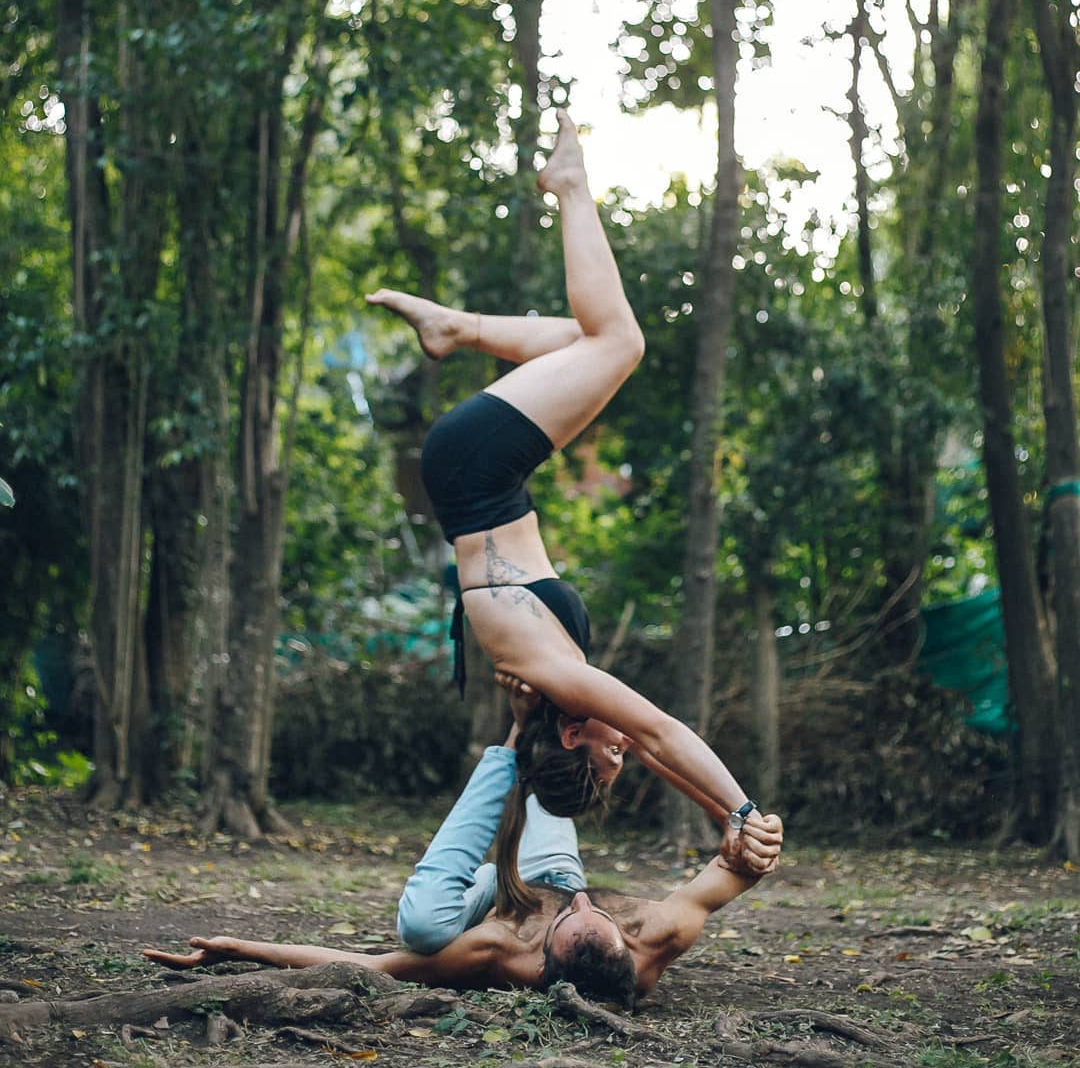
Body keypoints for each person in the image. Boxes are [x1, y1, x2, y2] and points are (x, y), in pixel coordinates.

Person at [364, 110, 780, 904]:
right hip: (478, 480)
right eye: (618, 758)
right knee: (591, 339)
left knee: (620, 341)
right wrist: (721, 813)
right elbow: (648, 745)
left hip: (474, 470)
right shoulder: (550, 686)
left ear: (571, 732)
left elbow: (657, 731)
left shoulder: (553, 675)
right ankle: (456, 327)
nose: (623, 749)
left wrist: (741, 808)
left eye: (607, 754)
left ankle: (569, 186)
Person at [143, 684, 784, 1008]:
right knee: (561, 779)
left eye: (573, 916)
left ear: (544, 961)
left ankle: (513, 737)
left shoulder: (499, 952)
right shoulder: (658, 936)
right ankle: (550, 710)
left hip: (496, 898)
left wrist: (238, 950)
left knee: (422, 927)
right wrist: (751, 839)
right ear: (625, 944)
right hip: (551, 864)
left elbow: (371, 965)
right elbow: (736, 869)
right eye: (599, 915)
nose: (587, 902)